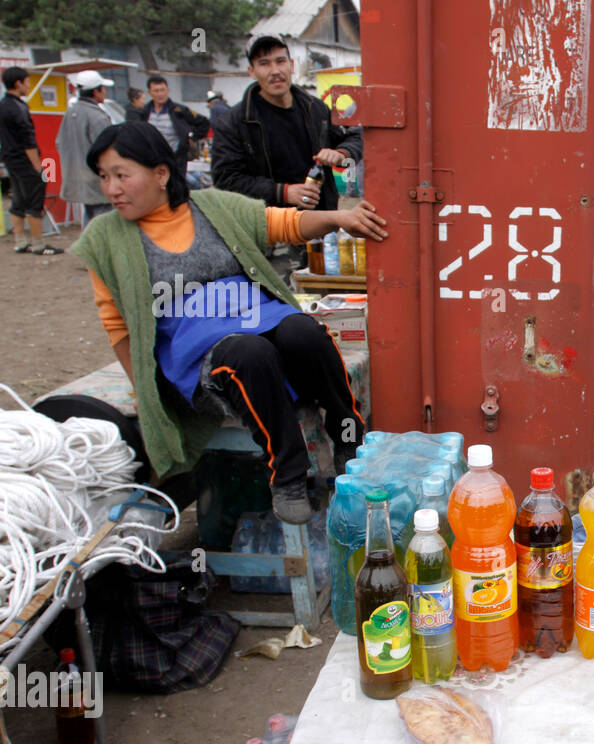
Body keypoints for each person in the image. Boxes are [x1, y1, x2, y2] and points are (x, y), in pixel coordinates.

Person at [71, 123, 388, 523]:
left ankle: (348, 435)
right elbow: (117, 325)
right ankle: (288, 474)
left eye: (121, 174)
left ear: (160, 174)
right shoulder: (105, 238)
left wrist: (339, 218)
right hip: (198, 353)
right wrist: (146, 392)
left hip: (258, 315)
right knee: (247, 353)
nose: (111, 188)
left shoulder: (211, 206)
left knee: (303, 332)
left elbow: (283, 223)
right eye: (103, 177)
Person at [211, 35, 361, 211]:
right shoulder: (233, 123)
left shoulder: (315, 109)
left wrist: (341, 153)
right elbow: (226, 180)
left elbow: (356, 137)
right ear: (252, 71)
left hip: (321, 222)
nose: (275, 71)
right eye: (264, 63)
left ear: (292, 65)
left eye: (280, 61)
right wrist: (283, 192)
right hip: (269, 227)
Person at [0, 66, 62, 254]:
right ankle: (39, 244)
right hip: (25, 159)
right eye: (27, 82)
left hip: (10, 159)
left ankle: (20, 242)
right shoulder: (19, 107)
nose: (28, 86)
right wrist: (37, 166)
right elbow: (28, 139)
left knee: (17, 198)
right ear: (18, 83)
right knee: (35, 200)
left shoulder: (3, 105)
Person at [56, 70, 115, 225]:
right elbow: (106, 149)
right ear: (96, 91)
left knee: (89, 216)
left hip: (76, 175)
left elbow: (59, 142)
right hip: (96, 178)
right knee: (104, 219)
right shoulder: (97, 116)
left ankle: (88, 247)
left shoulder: (71, 112)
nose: (105, 92)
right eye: (103, 88)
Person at [130, 74, 210, 164]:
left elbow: (204, 122)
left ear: (168, 90)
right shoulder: (144, 112)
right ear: (150, 92)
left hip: (175, 159)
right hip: (152, 160)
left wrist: (192, 138)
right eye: (156, 91)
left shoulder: (179, 110)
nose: (160, 94)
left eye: (162, 90)